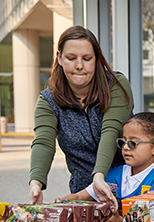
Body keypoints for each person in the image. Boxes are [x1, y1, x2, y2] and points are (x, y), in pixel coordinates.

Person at [29, 26, 134, 208]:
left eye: (87, 59)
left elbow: (111, 131)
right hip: (82, 194)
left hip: (130, 186)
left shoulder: (116, 86)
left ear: (97, 59)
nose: (79, 65)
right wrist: (36, 183)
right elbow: (43, 143)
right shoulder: (48, 101)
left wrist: (99, 176)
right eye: (71, 58)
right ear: (59, 58)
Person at [58, 109, 154, 222]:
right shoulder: (114, 174)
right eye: (123, 142)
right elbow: (81, 196)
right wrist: (64, 202)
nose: (125, 147)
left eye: (133, 143)